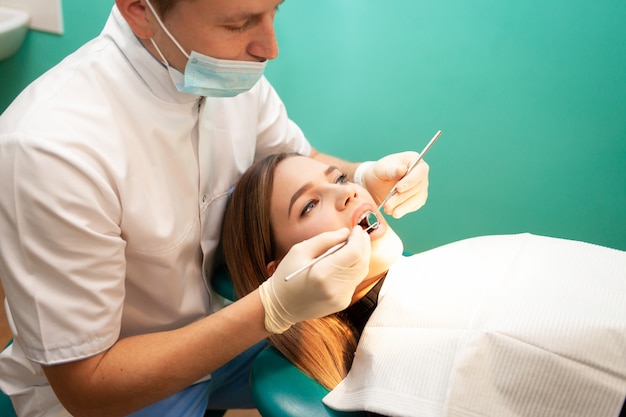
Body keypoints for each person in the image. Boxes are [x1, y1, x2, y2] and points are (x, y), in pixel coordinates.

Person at [0, 1, 432, 416]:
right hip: (118, 388)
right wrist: (272, 308)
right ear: (140, 9)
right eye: (238, 23)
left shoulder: (222, 71)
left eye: (274, 11)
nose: (269, 47)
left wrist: (361, 175)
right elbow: (88, 386)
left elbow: (299, 160)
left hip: (225, 330)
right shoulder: (49, 151)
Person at [221, 152, 626, 417]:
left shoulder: (463, 260)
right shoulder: (381, 367)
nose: (348, 193)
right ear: (281, 273)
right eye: (309, 205)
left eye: (340, 179)